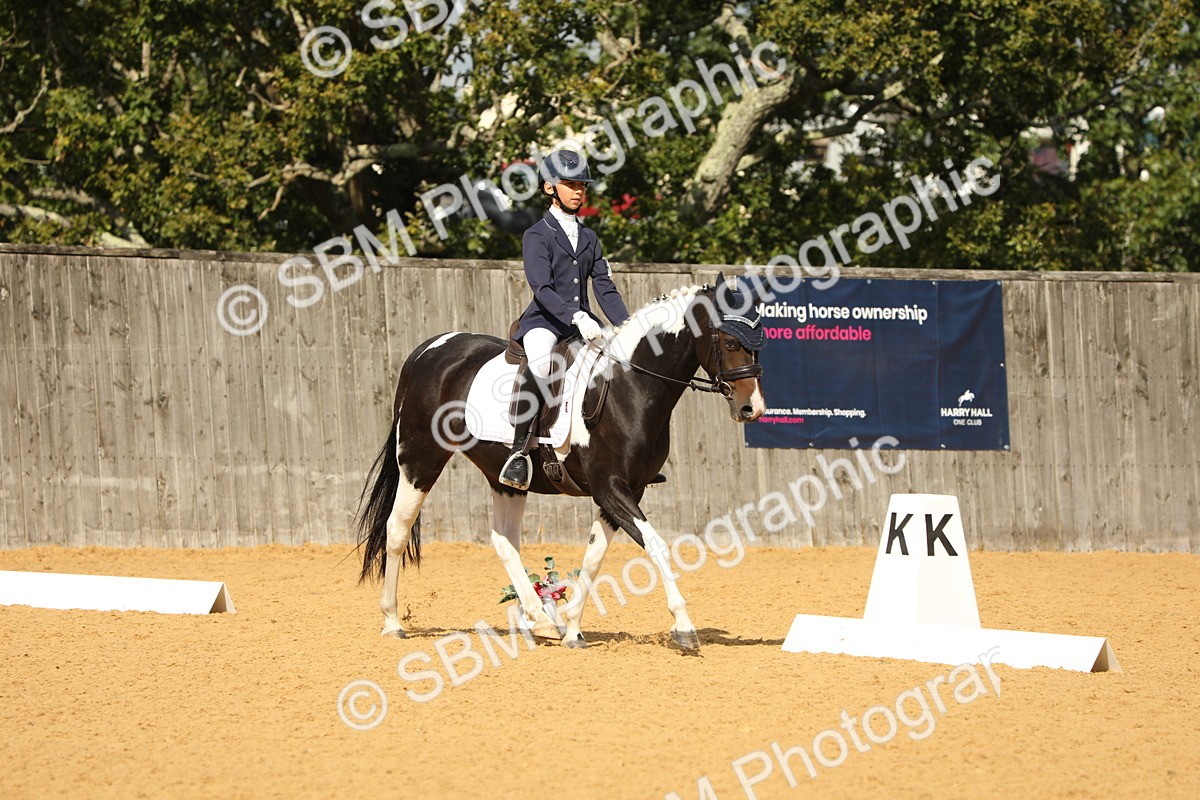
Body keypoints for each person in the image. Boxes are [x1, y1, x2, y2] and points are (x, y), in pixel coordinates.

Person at [499, 149, 630, 490]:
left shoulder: (589, 238)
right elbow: (541, 288)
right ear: (549, 188)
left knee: (615, 366)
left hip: (584, 323)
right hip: (544, 323)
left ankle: (624, 454)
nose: (578, 191)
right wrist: (575, 315)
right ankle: (518, 452)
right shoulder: (537, 234)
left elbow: (604, 286)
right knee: (542, 365)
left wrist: (626, 326)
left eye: (581, 185)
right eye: (570, 185)